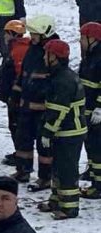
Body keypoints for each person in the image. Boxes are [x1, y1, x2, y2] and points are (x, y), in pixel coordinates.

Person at [36, 40, 87, 220]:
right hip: (66, 131)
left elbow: (58, 111)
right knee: (57, 167)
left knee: (67, 169)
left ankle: (69, 208)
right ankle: (56, 200)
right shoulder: (60, 76)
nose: (44, 57)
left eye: (47, 54)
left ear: (54, 58)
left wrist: (47, 132)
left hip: (69, 132)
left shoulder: (63, 80)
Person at [12, 15, 58, 190]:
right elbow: (24, 73)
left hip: (42, 108)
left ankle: (45, 177)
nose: (32, 37)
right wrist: (15, 94)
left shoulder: (53, 52)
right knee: (23, 139)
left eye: (35, 34)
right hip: (26, 104)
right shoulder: (33, 49)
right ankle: (23, 170)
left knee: (43, 144)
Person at [0, 20, 30, 166]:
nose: (4, 36)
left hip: (17, 97)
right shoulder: (17, 48)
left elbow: (18, 75)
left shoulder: (18, 51)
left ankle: (21, 155)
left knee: (17, 127)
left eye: (6, 33)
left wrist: (13, 94)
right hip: (13, 95)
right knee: (16, 126)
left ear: (12, 34)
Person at [78, 22, 101, 201]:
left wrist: (99, 108)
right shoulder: (90, 57)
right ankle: (93, 178)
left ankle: (98, 186)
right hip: (88, 108)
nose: (80, 41)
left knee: (97, 150)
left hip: (96, 111)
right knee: (91, 148)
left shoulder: (98, 58)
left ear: (92, 38)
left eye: (83, 37)